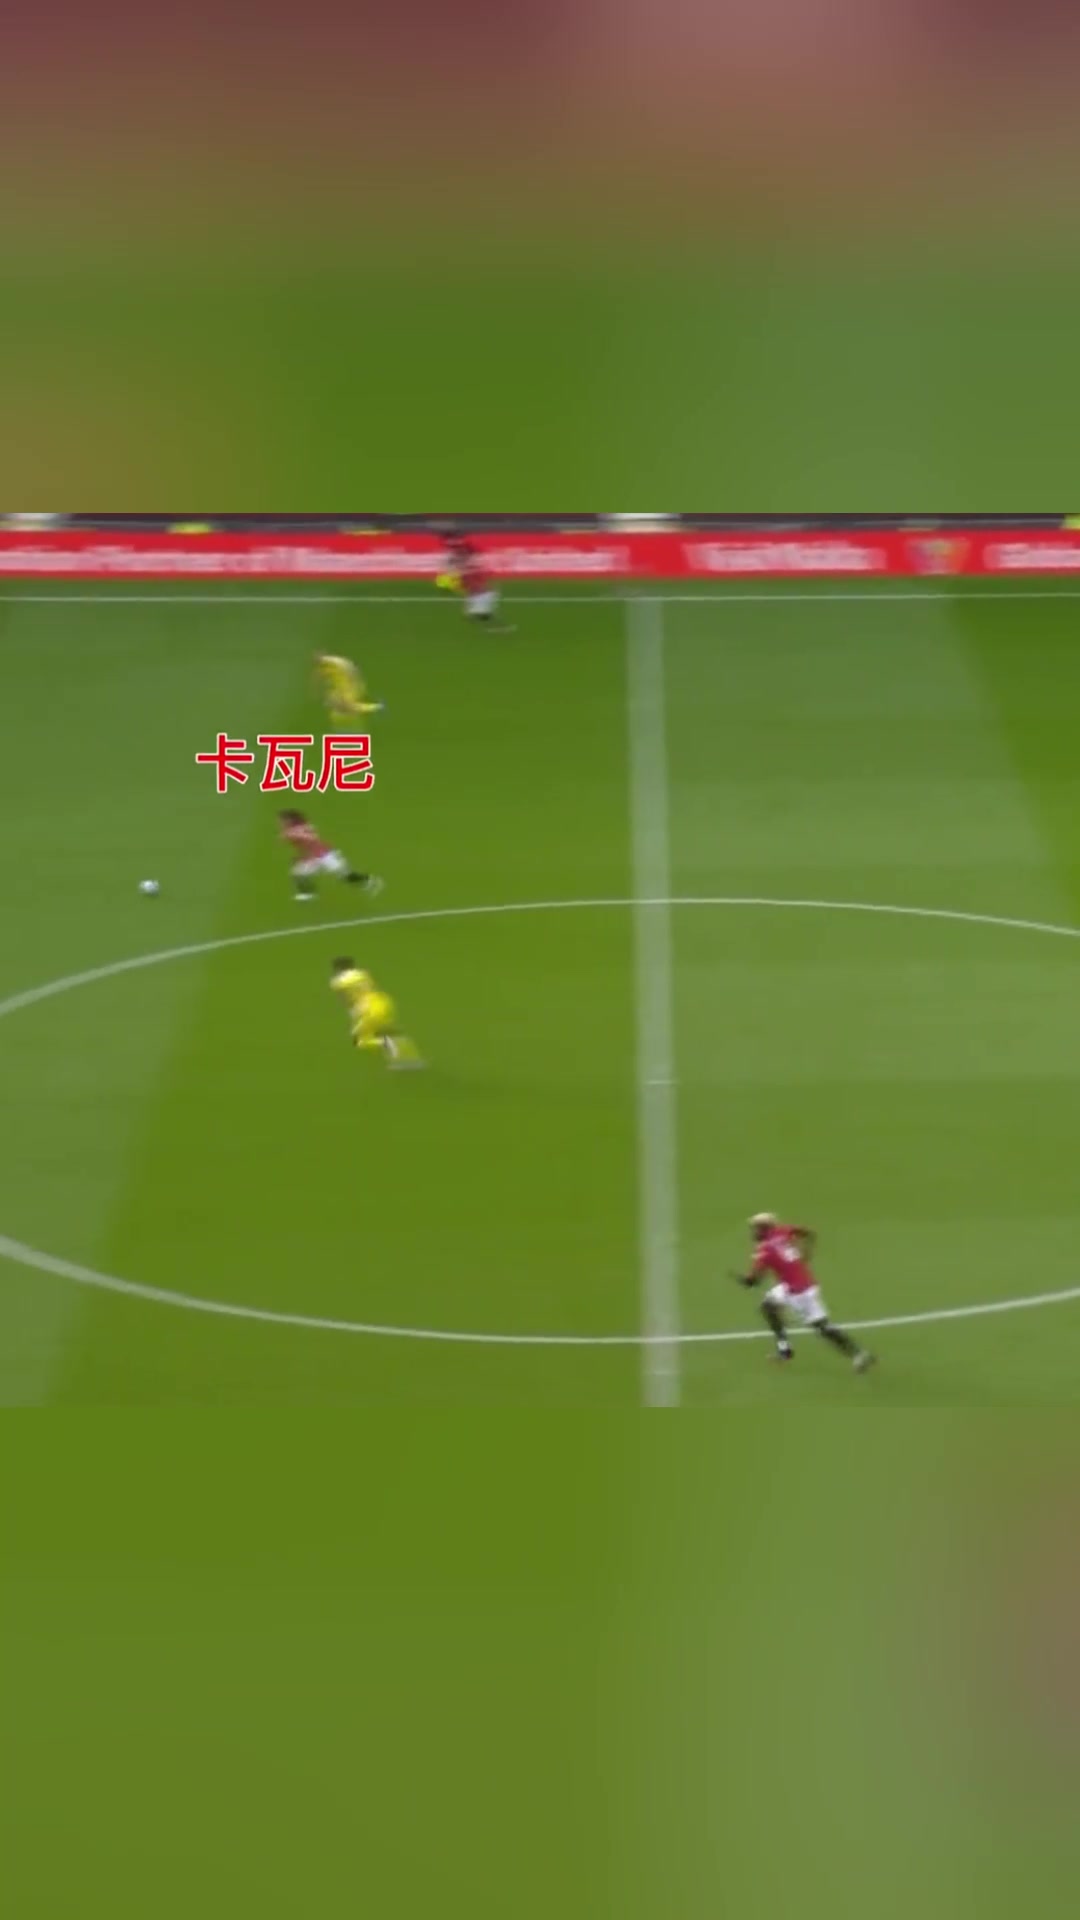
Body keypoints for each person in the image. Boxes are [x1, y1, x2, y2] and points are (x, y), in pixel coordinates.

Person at [733, 1213, 876, 1373]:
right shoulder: (782, 1231)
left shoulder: (765, 1250)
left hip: (799, 1293)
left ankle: (859, 1354)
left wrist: (745, 1281)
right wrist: (807, 1253)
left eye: (755, 1228)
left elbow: (754, 1280)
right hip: (794, 1283)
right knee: (767, 1306)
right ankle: (784, 1349)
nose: (753, 1232)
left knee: (821, 1327)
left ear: (764, 1229)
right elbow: (808, 1233)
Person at [329, 959, 424, 1069]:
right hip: (383, 1001)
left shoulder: (338, 982)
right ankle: (407, 1059)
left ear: (338, 969)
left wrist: (354, 1011)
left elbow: (345, 998)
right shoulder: (362, 973)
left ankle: (389, 1044)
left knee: (360, 1041)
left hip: (368, 1009)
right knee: (383, 1031)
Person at [278, 810, 382, 905]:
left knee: (345, 876)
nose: (281, 823)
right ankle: (308, 893)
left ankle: (371, 880)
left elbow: (308, 843)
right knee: (298, 873)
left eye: (283, 820)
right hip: (322, 854)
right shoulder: (305, 826)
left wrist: (305, 857)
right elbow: (306, 843)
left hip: (324, 856)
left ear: (290, 820)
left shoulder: (290, 833)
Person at [313, 652, 383, 725]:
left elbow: (350, 671)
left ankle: (376, 708)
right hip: (345, 687)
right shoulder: (333, 664)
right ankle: (375, 708)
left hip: (348, 687)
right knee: (342, 706)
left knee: (348, 706)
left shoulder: (334, 664)